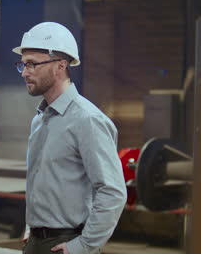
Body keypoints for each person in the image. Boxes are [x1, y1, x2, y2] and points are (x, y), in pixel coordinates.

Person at [13, 22, 127, 254]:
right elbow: (42, 184)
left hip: (66, 241)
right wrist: (32, 227)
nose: (25, 72)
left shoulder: (87, 120)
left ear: (60, 66)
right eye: (23, 65)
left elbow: (112, 192)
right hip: (36, 241)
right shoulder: (40, 119)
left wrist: (83, 246)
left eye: (32, 64)